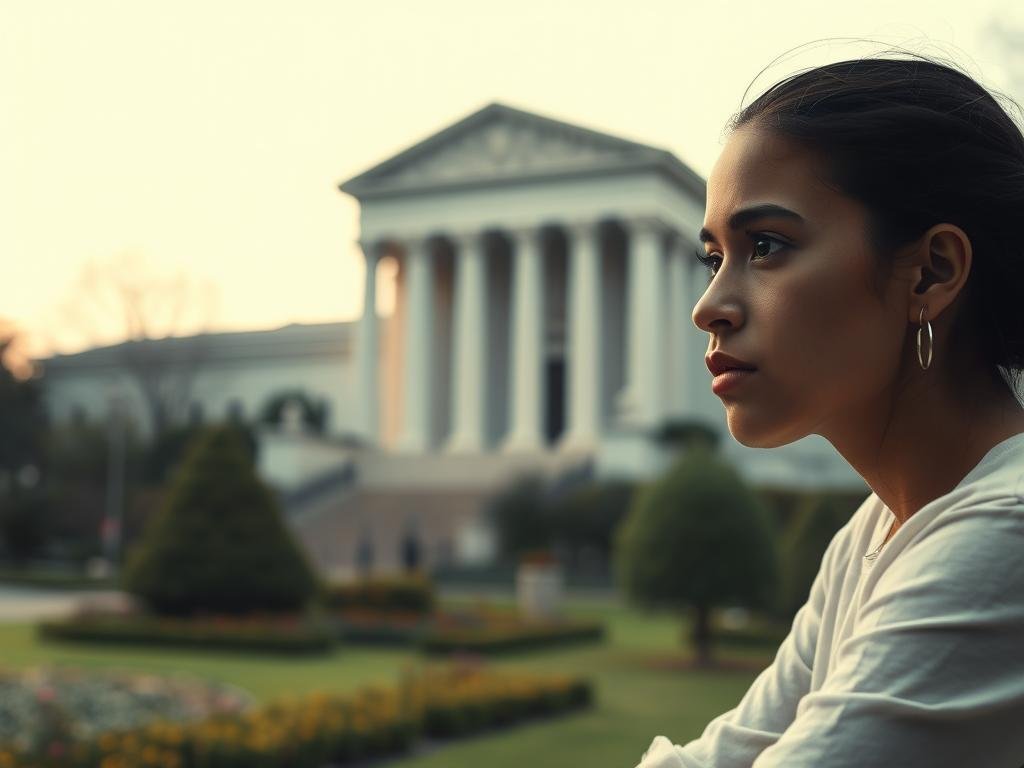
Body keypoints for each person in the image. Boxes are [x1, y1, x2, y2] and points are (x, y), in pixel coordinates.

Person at [636, 53, 1024, 767]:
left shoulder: (1006, 534)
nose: (708, 308)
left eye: (767, 246)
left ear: (933, 272)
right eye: (713, 257)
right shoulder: (873, 533)